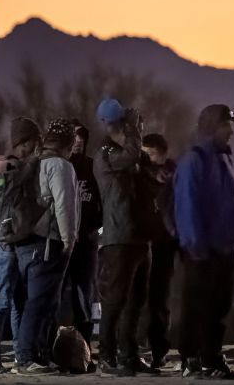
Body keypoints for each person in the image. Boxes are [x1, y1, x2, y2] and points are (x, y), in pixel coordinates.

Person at [174, 105, 234, 380]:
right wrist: (195, 245)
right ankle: (191, 359)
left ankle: (211, 358)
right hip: (202, 250)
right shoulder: (195, 160)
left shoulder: (222, 158)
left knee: (218, 307)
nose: (231, 131)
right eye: (227, 125)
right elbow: (187, 203)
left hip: (224, 247)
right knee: (197, 305)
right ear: (213, 127)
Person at [93, 99, 157, 377]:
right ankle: (106, 356)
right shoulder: (106, 154)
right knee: (115, 300)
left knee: (136, 301)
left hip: (139, 236)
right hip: (118, 237)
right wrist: (134, 132)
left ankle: (128, 354)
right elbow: (131, 155)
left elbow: (145, 168)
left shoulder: (131, 154)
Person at [10, 118, 78, 375]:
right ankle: (26, 357)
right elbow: (63, 205)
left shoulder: (32, 163)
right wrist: (69, 238)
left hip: (25, 242)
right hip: (47, 242)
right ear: (69, 144)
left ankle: (37, 354)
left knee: (34, 301)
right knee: (39, 302)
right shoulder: (59, 165)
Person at [0, 117, 41, 374]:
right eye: (35, 143)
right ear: (25, 143)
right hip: (6, 244)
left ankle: (19, 357)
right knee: (1, 302)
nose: (37, 148)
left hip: (1, 242)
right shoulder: (11, 168)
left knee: (15, 301)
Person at [139, 133, 177, 369]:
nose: (146, 159)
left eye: (150, 154)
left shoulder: (175, 176)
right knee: (136, 297)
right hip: (141, 241)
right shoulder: (138, 174)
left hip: (165, 243)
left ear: (163, 153)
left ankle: (158, 349)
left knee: (159, 298)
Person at [65, 123, 101, 346]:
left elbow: (103, 203)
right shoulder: (59, 166)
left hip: (86, 243)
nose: (78, 142)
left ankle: (84, 346)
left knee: (83, 295)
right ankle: (51, 346)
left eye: (82, 138)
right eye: (74, 138)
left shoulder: (92, 167)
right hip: (62, 241)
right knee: (55, 294)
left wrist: (95, 229)